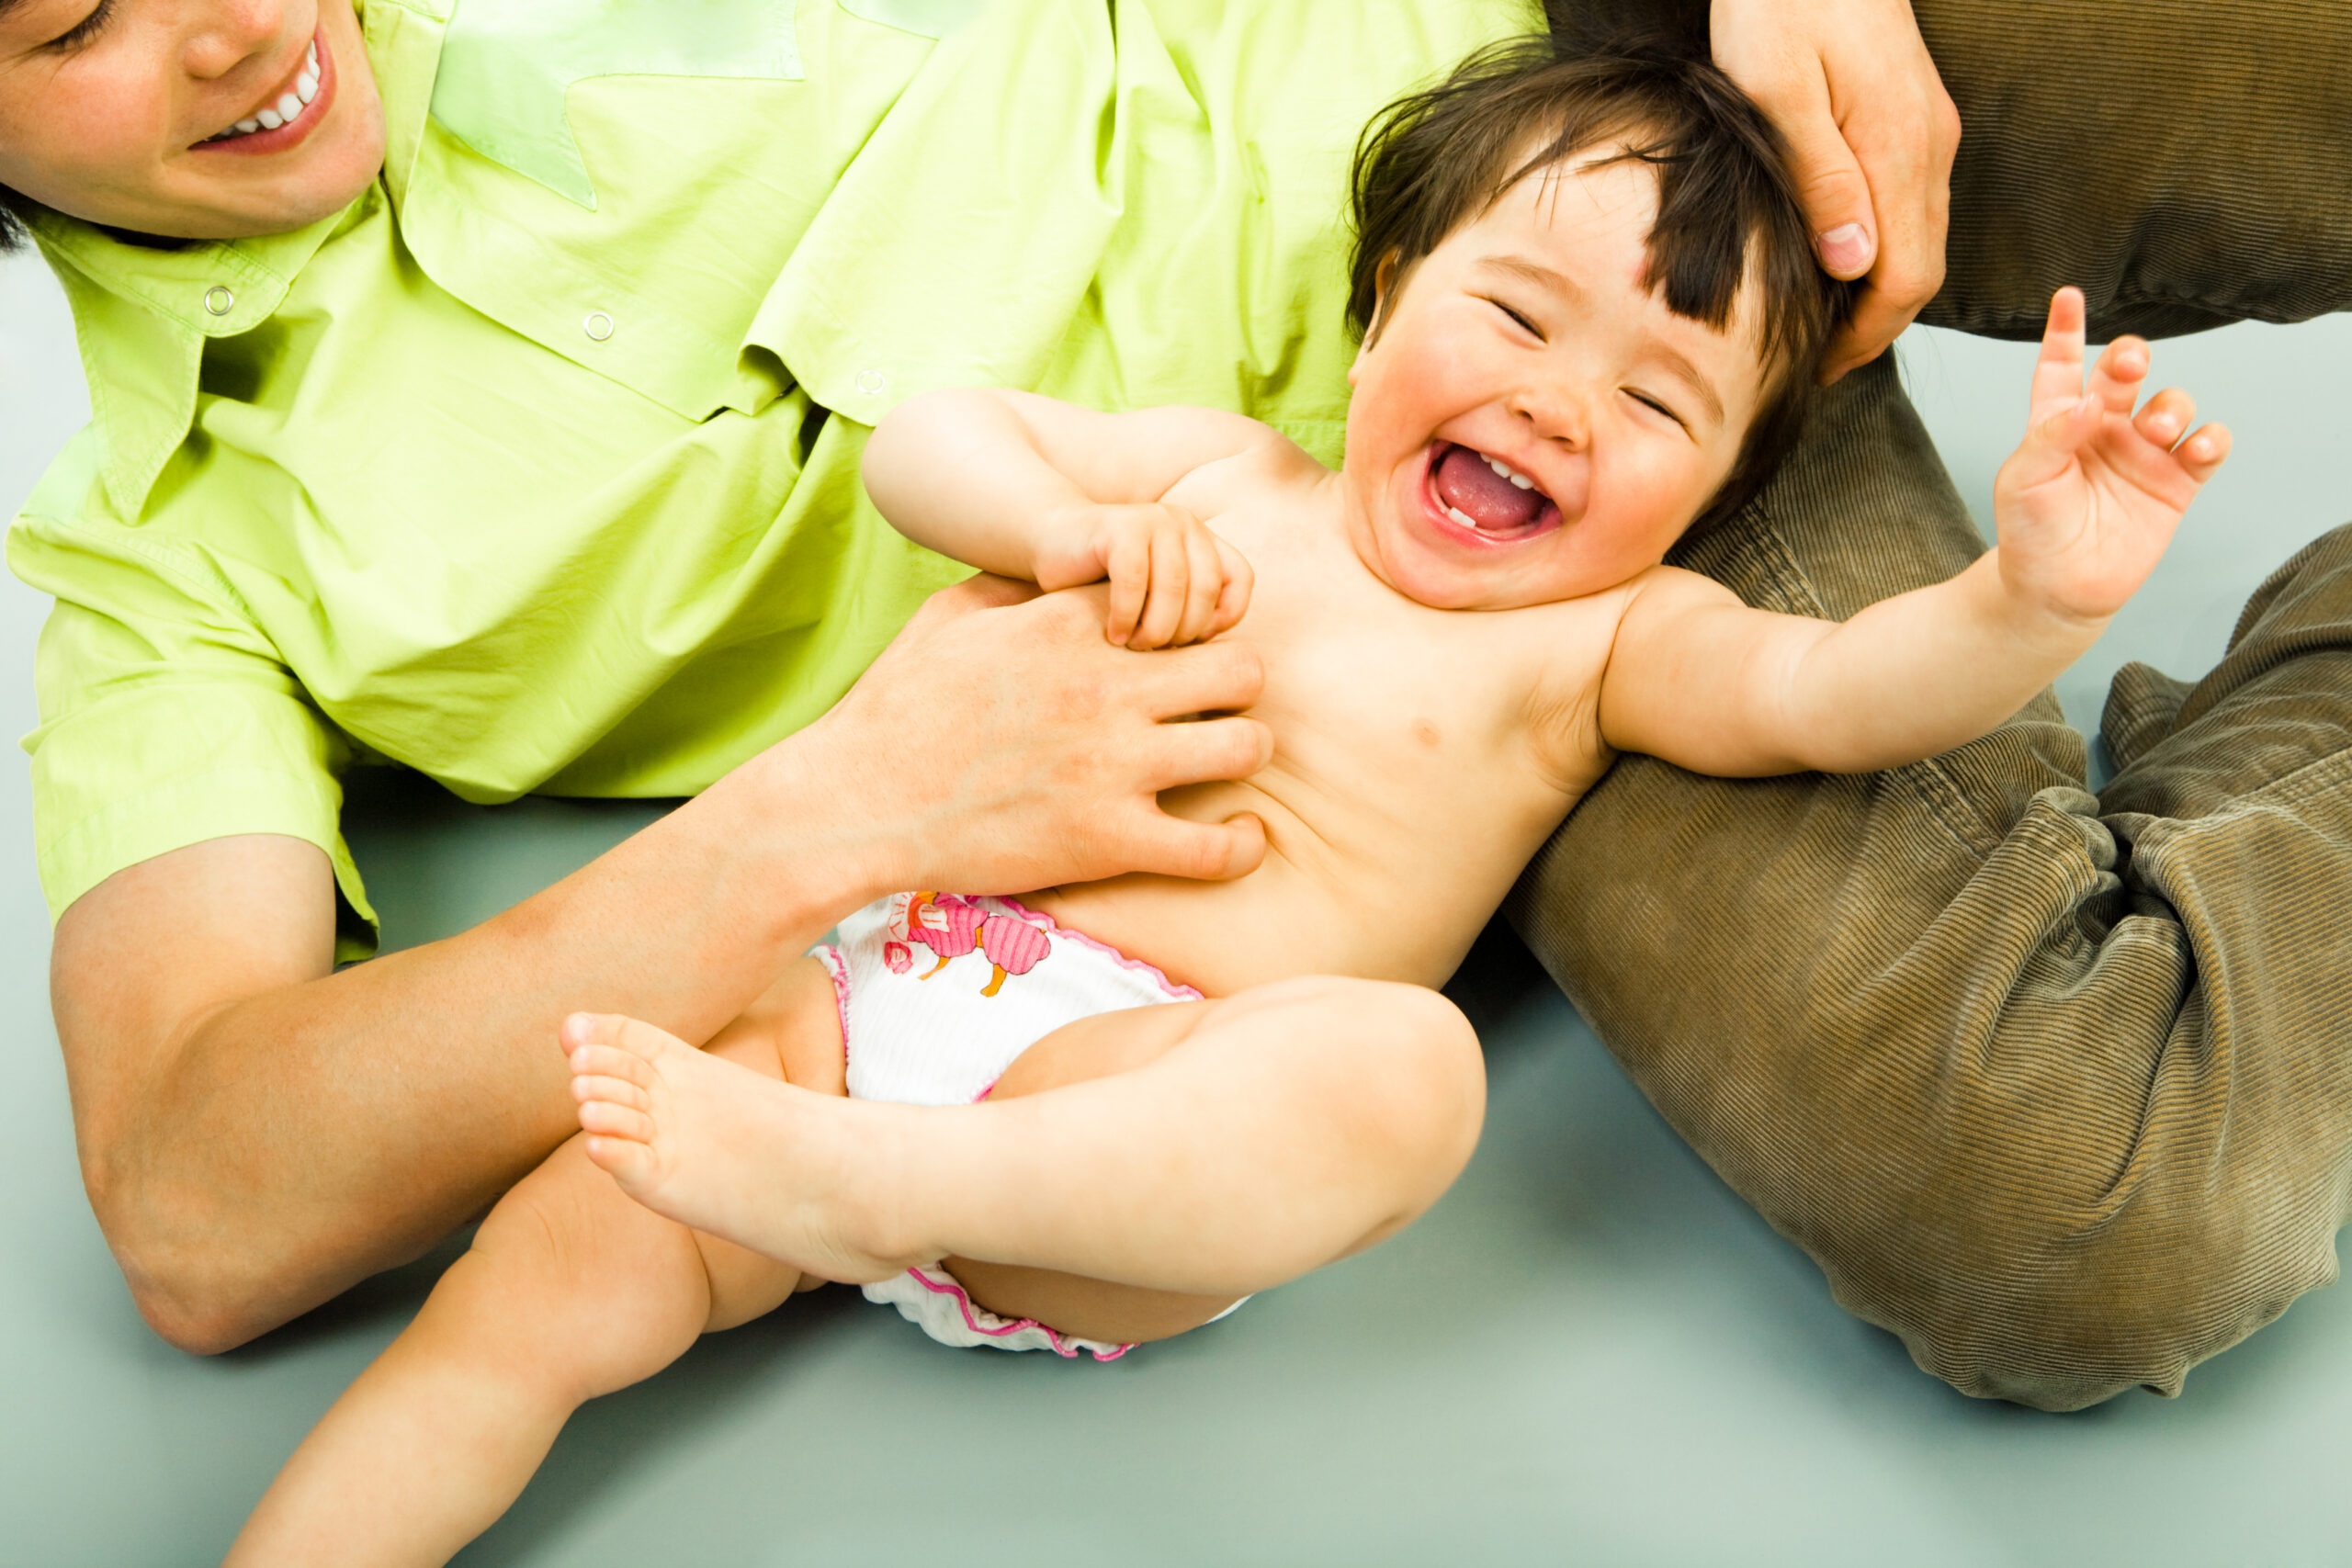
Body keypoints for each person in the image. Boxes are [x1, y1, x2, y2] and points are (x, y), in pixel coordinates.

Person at [1, 0, 2344, 1416]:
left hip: (1559, 75)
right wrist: (836, 804)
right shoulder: (154, 554)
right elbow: (204, 1201)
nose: (217, 26)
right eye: (70, 22)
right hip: (1471, 656)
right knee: (2076, 1193)